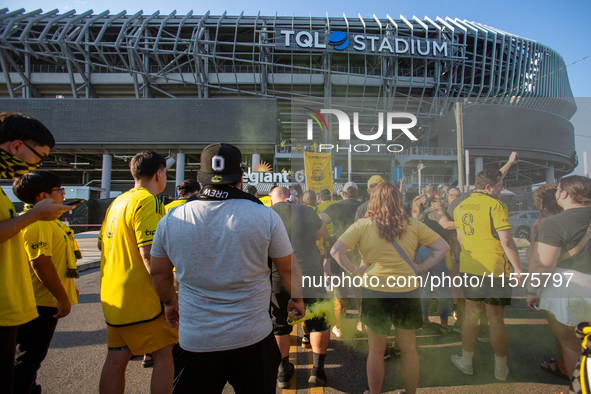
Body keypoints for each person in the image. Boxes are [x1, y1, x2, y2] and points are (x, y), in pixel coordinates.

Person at [149, 143, 305, 394]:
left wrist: (169, 302)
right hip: (252, 337)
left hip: (197, 339)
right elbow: (288, 269)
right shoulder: (264, 216)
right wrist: (296, 298)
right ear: (241, 176)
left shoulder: (172, 219)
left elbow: (158, 271)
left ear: (201, 176)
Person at [331, 182, 450, 394]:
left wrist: (354, 271)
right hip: (407, 290)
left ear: (373, 200)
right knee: (409, 350)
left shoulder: (363, 224)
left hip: (375, 290)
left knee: (376, 351)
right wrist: (422, 266)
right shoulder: (412, 224)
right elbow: (443, 247)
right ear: (398, 200)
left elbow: (336, 251)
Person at [0, 112, 70, 394]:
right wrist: (34, 216)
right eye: (38, 156)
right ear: (16, 147)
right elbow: (39, 261)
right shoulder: (38, 221)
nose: (37, 164)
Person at [98, 151, 178, 394]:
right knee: (164, 355)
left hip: (114, 299)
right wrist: (169, 298)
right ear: (159, 173)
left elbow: (102, 245)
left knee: (115, 360)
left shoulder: (117, 202)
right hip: (143, 301)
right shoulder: (148, 202)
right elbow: (149, 255)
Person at [451, 169, 523, 381]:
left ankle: (466, 362)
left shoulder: (460, 206)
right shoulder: (495, 205)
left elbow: (460, 239)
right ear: (489, 187)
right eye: (500, 185)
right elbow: (507, 241)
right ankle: (501, 369)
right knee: (496, 319)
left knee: (471, 315)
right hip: (494, 266)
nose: (501, 189)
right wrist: (519, 269)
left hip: (470, 265)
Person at [12, 171, 80, 394]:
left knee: (32, 358)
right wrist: (61, 297)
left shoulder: (47, 222)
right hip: (40, 302)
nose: (63, 194)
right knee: (29, 358)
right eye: (59, 191)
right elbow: (41, 264)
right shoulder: (38, 223)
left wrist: (68, 288)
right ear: (42, 196)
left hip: (45, 299)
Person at [527, 176, 591, 383]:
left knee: (573, 345)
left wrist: (531, 291)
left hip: (572, 290)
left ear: (564, 193)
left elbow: (544, 264)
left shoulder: (554, 223)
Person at [270, 186, 330, 387]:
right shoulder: (307, 210)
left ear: (274, 198)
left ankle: (283, 371)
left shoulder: (268, 213)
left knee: (280, 325)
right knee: (319, 321)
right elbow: (321, 233)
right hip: (310, 272)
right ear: (290, 197)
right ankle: (317, 371)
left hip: (280, 275)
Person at [321, 182, 362, 337]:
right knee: (360, 288)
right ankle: (363, 323)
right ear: (356, 194)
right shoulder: (363, 206)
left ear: (343, 193)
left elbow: (320, 220)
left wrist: (329, 239)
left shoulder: (335, 206)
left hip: (340, 250)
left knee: (340, 289)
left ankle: (340, 326)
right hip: (360, 251)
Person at [418, 196, 454, 334]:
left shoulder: (426, 214)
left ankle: (424, 319)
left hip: (423, 251)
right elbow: (446, 225)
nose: (443, 201)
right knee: (443, 290)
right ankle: (444, 325)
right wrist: (467, 222)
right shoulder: (438, 212)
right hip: (436, 252)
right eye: (439, 199)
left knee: (426, 288)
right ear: (433, 203)